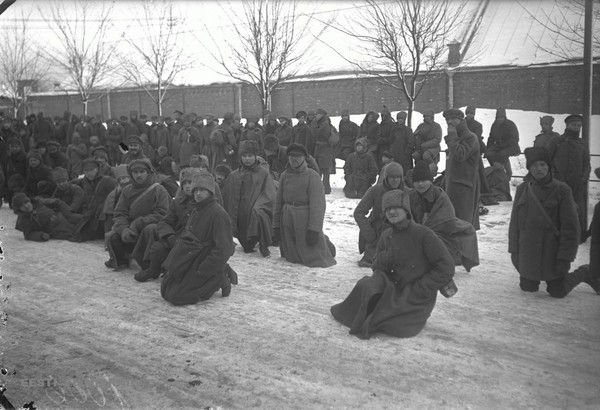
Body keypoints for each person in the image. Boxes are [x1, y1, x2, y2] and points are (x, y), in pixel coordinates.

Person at [330, 189, 455, 339]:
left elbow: (446, 267)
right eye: (388, 209)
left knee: (394, 326)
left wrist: (420, 288)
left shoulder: (424, 234)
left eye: (396, 207)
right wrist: (385, 258)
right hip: (394, 288)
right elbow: (375, 267)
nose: (392, 212)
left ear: (406, 210)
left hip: (416, 295)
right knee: (366, 285)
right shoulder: (386, 235)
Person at [508, 147, 598, 297]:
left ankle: (585, 272)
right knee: (528, 288)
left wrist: (565, 258)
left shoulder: (562, 190)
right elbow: (515, 224)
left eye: (543, 165)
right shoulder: (523, 189)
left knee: (557, 292)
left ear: (549, 167)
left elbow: (571, 228)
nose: (539, 169)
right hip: (529, 254)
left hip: (553, 253)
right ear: (529, 168)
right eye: (535, 165)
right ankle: (532, 277)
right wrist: (514, 251)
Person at [160, 171, 236, 305]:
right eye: (196, 190)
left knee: (177, 297)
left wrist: (204, 269)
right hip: (190, 258)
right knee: (165, 290)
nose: (198, 194)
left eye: (202, 190)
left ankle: (218, 278)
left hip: (204, 262)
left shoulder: (218, 214)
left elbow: (224, 248)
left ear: (210, 192)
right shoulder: (196, 209)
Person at [273, 143, 336, 268]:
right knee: (292, 257)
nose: (294, 159)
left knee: (313, 257)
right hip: (287, 217)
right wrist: (276, 225)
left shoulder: (312, 176)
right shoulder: (284, 176)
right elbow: (278, 202)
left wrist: (314, 228)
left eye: (298, 156)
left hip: (304, 218)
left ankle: (326, 245)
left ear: (304, 158)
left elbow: (318, 205)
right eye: (291, 156)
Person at [408, 161, 479, 272]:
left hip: (441, 232)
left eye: (423, 180)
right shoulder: (411, 195)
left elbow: (447, 217)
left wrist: (426, 230)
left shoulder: (439, 195)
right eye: (417, 181)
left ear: (430, 181)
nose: (420, 184)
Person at [105, 158, 171, 270]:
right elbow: (120, 213)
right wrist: (123, 229)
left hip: (148, 228)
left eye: (142, 172)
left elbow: (161, 214)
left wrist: (137, 224)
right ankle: (123, 260)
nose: (138, 175)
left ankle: (147, 263)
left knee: (150, 229)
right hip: (130, 230)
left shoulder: (159, 190)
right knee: (113, 236)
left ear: (148, 172)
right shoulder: (127, 191)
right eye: (135, 172)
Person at [221, 140, 276, 257]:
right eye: (244, 156)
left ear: (256, 156)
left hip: (257, 206)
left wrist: (259, 205)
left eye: (250, 156)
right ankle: (246, 243)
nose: (247, 159)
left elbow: (269, 192)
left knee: (259, 215)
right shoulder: (235, 174)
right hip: (240, 208)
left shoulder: (263, 173)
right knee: (245, 238)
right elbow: (227, 193)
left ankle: (263, 245)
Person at [547, 114, 591, 242]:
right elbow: (548, 160)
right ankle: (558, 233)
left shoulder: (583, 143)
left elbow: (586, 163)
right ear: (567, 125)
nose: (576, 128)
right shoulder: (557, 141)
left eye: (579, 126)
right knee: (559, 208)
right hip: (559, 182)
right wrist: (553, 176)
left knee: (578, 209)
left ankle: (578, 235)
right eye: (574, 125)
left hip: (577, 183)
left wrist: (584, 178)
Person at [354, 162, 405, 268]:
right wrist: (369, 234)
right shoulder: (376, 190)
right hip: (379, 234)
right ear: (386, 178)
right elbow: (359, 212)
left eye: (397, 177)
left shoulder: (407, 192)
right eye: (392, 177)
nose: (395, 180)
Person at [443, 108, 480, 230]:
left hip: (465, 186)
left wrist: (452, 137)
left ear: (461, 119)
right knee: (453, 223)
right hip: (453, 185)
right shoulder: (455, 137)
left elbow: (460, 155)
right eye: (447, 119)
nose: (449, 122)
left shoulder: (470, 138)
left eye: (452, 119)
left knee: (463, 225)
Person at [71, 158, 118, 242]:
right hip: (88, 214)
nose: (89, 173)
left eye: (92, 170)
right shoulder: (83, 182)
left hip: (103, 216)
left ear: (97, 169)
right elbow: (70, 184)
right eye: (86, 171)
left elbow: (118, 193)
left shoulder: (107, 181)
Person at [12, 192, 80, 241]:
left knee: (86, 221)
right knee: (80, 234)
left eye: (26, 202)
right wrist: (40, 235)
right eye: (22, 206)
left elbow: (57, 202)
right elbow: (28, 234)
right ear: (19, 209)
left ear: (29, 201)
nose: (26, 206)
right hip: (58, 231)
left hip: (65, 218)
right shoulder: (24, 220)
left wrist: (70, 214)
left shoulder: (40, 202)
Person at [484, 108, 520, 178]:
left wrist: (504, 145)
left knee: (502, 154)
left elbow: (515, 139)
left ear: (504, 117)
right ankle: (496, 171)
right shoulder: (495, 125)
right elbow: (491, 137)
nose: (500, 119)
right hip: (499, 146)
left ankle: (508, 173)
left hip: (511, 146)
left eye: (501, 117)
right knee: (488, 154)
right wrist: (488, 148)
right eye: (498, 118)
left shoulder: (510, 124)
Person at [412, 110, 442, 176]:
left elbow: (437, 139)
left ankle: (432, 169)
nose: (426, 118)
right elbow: (415, 136)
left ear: (432, 117)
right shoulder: (421, 126)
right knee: (416, 156)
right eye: (425, 116)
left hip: (433, 148)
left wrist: (425, 145)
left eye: (428, 116)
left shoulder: (436, 126)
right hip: (420, 148)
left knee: (426, 155)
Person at [312, 108, 335, 194]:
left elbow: (316, 133)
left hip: (324, 149)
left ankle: (325, 188)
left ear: (321, 115)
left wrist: (315, 127)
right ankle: (323, 188)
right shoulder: (323, 123)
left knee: (323, 170)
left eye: (317, 114)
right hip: (323, 149)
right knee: (321, 169)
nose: (316, 116)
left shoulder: (324, 124)